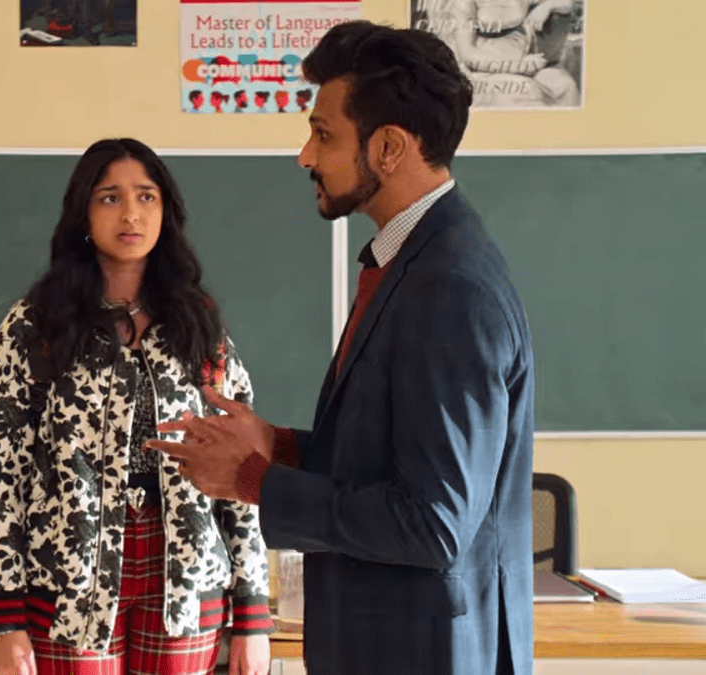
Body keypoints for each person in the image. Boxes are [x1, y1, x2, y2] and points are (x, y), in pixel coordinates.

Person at [148, 21, 536, 675]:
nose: (306, 155)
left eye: (323, 134)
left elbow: (433, 523)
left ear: (388, 147)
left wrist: (255, 480)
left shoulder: (451, 287)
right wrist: (281, 447)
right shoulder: (413, 261)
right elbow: (392, 460)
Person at [0, 138, 274, 675]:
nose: (131, 213)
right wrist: (4, 619)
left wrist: (252, 616)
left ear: (166, 212)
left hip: (184, 578)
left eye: (147, 196)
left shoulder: (199, 325)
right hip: (69, 579)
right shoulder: (36, 324)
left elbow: (242, 467)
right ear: (83, 215)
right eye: (110, 198)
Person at [427, 0, 580, 106]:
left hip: (524, 61)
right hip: (482, 70)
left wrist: (547, 6)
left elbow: (569, 2)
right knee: (527, 91)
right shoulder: (463, 3)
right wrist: (519, 66)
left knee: (565, 85)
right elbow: (468, 54)